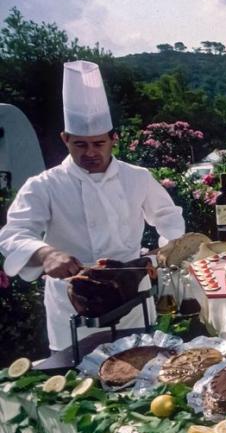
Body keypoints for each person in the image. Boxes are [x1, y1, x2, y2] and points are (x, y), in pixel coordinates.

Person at [0, 61, 185, 350]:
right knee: (78, 384)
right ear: (65, 139)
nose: (90, 153)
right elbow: (13, 234)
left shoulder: (137, 177)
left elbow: (169, 219)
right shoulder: (44, 185)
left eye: (98, 144)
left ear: (114, 139)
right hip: (71, 305)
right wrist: (46, 254)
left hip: (131, 299)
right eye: (80, 145)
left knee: (140, 373)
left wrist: (161, 253)